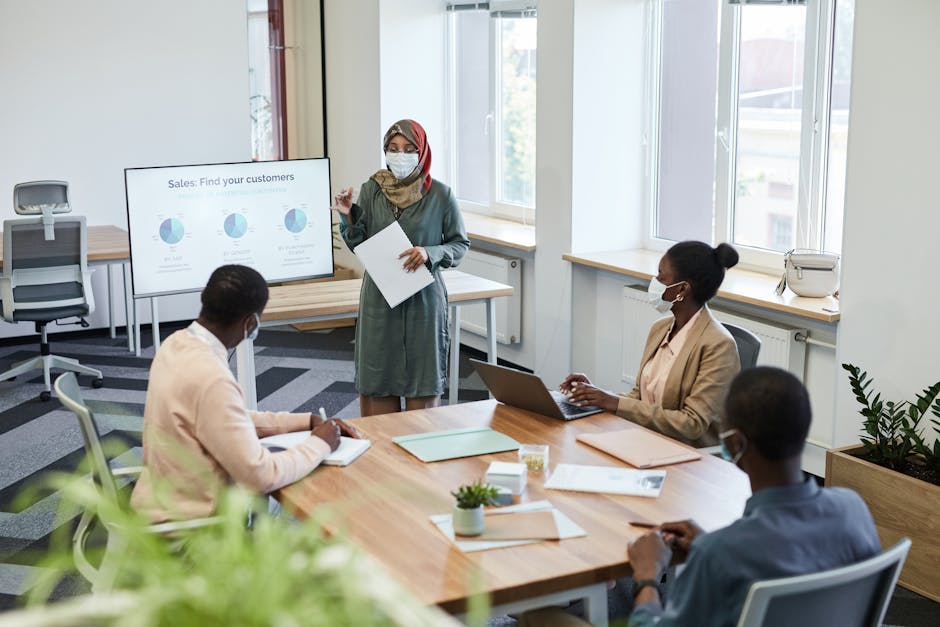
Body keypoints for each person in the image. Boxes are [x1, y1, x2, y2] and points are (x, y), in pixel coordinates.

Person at [625, 367, 881, 626]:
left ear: (736, 443)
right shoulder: (854, 511)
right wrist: (708, 545)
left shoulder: (718, 556)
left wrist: (647, 576)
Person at [130, 265, 360, 523]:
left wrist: (305, 422)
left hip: (162, 502)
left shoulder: (175, 344)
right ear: (250, 323)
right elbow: (260, 476)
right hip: (194, 529)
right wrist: (320, 444)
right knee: (313, 506)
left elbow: (225, 418)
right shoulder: (212, 378)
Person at [333, 119, 470, 417]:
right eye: (393, 149)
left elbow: (460, 245)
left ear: (422, 151)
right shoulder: (372, 189)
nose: (400, 155)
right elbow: (360, 243)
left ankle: (421, 444)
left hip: (424, 301)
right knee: (378, 383)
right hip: (380, 298)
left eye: (409, 149)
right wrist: (348, 216)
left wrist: (430, 252)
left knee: (423, 389)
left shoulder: (441, 195)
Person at [561, 241, 741, 446]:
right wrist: (594, 395)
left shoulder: (719, 346)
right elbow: (640, 397)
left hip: (684, 452)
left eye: (661, 277)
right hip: (645, 437)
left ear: (682, 289)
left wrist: (612, 402)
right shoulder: (660, 328)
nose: (654, 282)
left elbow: (691, 424)